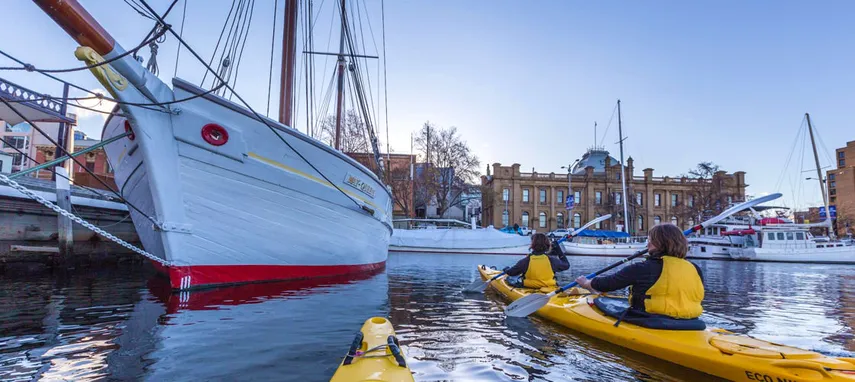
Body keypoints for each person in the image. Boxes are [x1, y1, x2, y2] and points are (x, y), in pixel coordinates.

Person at [575, 223, 704, 319]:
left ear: (660, 244)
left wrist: (586, 283)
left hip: (651, 320)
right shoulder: (695, 268)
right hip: (692, 322)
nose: (647, 244)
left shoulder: (643, 268)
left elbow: (608, 284)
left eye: (651, 240)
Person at [504, 233, 570, 288]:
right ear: (547, 246)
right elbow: (566, 265)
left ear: (532, 245)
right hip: (550, 288)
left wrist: (506, 269)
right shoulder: (552, 261)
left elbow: (511, 273)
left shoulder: (525, 261)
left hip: (529, 288)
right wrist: (558, 250)